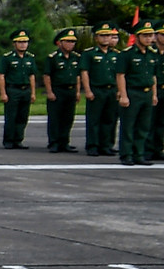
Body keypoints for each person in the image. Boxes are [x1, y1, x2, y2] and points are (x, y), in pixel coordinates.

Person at [116, 22, 159, 166]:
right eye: (145, 36)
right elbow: (120, 75)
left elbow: (153, 76)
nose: (148, 39)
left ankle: (139, 154)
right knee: (128, 125)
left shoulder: (152, 54)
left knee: (143, 126)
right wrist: (123, 95)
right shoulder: (127, 54)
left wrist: (154, 94)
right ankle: (127, 154)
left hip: (147, 93)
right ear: (137, 37)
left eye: (150, 35)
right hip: (133, 92)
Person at [82, 24, 123, 156]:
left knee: (110, 119)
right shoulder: (89, 53)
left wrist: (120, 90)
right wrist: (87, 90)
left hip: (112, 90)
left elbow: (119, 74)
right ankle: (93, 145)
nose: (106, 38)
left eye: (108, 35)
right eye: (103, 35)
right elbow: (84, 72)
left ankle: (106, 145)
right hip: (97, 89)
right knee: (94, 120)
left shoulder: (116, 54)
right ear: (96, 38)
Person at [43, 27, 84, 153]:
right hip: (58, 90)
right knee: (55, 118)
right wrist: (49, 92)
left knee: (68, 118)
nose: (71, 44)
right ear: (60, 43)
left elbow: (77, 76)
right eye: (68, 41)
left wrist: (78, 91)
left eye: (73, 42)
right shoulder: (53, 57)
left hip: (70, 90)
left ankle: (64, 142)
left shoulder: (76, 57)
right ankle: (54, 143)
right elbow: (47, 75)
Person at [0, 30, 39, 150]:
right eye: (20, 42)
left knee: (23, 117)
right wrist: (3, 93)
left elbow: (32, 76)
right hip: (13, 90)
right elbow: (1, 75)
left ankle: (18, 140)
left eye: (25, 42)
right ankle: (9, 140)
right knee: (11, 116)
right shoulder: (7, 58)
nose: (23, 44)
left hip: (25, 90)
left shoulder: (30, 58)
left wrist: (33, 93)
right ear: (14, 43)